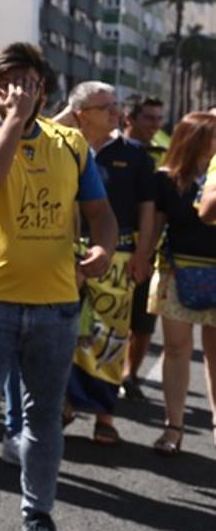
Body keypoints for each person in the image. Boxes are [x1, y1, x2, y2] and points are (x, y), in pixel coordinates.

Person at [0, 43, 117, 531]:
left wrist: (104, 250)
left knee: (44, 421)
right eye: (9, 82)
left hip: (56, 307)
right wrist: (13, 121)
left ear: (44, 88)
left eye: (30, 82)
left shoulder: (71, 145)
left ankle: (37, 515)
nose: (20, 91)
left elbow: (100, 214)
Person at [59, 82, 153, 447]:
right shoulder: (63, 145)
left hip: (119, 254)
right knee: (64, 331)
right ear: (81, 113)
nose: (116, 113)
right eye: (106, 107)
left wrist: (143, 254)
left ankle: (104, 415)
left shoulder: (134, 154)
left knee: (110, 336)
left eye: (116, 106)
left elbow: (148, 208)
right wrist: (69, 114)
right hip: (64, 252)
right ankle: (64, 404)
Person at [144, 112, 216, 455]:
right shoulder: (166, 179)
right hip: (175, 271)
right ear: (198, 138)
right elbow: (154, 226)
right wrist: (142, 260)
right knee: (176, 350)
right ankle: (174, 427)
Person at [120, 95, 166, 398]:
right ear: (130, 119)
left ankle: (130, 376)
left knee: (143, 320)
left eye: (158, 119)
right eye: (149, 118)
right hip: (114, 247)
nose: (156, 125)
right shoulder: (106, 150)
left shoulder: (164, 151)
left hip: (149, 249)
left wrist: (146, 251)